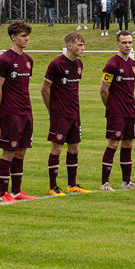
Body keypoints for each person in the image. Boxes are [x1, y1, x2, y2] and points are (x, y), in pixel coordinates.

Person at [42, 32, 92, 196]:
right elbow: (44, 89)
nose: (82, 48)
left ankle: (72, 185)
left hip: (74, 114)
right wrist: (52, 110)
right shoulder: (56, 64)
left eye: (83, 45)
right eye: (80, 45)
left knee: (74, 149)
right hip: (60, 114)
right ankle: (52, 187)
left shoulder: (79, 64)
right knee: (56, 149)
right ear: (70, 45)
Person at [0, 20, 38, 202]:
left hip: (26, 111)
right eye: (23, 36)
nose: (26, 39)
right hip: (11, 113)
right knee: (9, 152)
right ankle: (3, 193)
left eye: (27, 35)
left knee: (21, 151)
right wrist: (0, 112)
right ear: (13, 37)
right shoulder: (5, 59)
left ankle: (16, 191)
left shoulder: (28, 60)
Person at [100, 31, 135, 191]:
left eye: (130, 42)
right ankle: (104, 183)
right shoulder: (112, 64)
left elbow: (131, 89)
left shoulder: (134, 65)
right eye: (124, 42)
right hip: (116, 112)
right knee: (113, 144)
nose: (127, 45)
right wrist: (111, 107)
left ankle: (127, 182)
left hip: (130, 112)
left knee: (128, 144)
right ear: (117, 44)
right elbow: (103, 90)